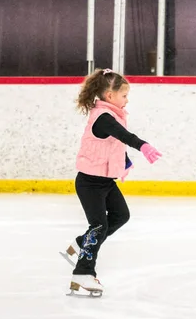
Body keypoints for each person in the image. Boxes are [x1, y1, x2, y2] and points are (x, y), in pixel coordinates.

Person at [61, 68, 162, 296]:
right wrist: (143, 145)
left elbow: (112, 145)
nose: (127, 101)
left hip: (104, 181)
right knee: (98, 226)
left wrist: (123, 162)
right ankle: (83, 274)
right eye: (124, 96)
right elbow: (123, 136)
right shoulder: (104, 117)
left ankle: (79, 245)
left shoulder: (111, 115)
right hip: (90, 183)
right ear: (110, 96)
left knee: (120, 216)